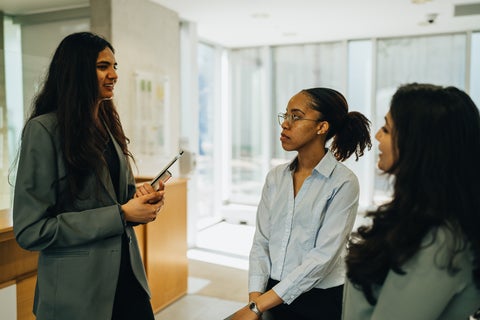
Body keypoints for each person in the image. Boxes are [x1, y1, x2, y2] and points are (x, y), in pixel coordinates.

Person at [12, 32, 165, 320]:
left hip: (128, 280)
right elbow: (31, 230)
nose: (114, 75)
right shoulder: (44, 131)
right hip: (78, 296)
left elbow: (118, 197)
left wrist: (142, 199)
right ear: (77, 71)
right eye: (102, 66)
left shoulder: (107, 124)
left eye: (115, 66)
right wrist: (120, 215)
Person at [230, 88, 372, 320]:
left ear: (322, 127)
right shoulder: (276, 177)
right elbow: (262, 242)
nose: (285, 124)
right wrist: (254, 301)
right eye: (285, 115)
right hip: (270, 295)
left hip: (319, 298)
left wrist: (257, 307)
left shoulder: (343, 182)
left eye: (296, 116)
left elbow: (323, 257)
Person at [343, 83, 480, 319]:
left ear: (417, 144)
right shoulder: (414, 217)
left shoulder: (440, 240)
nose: (376, 136)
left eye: (386, 129)